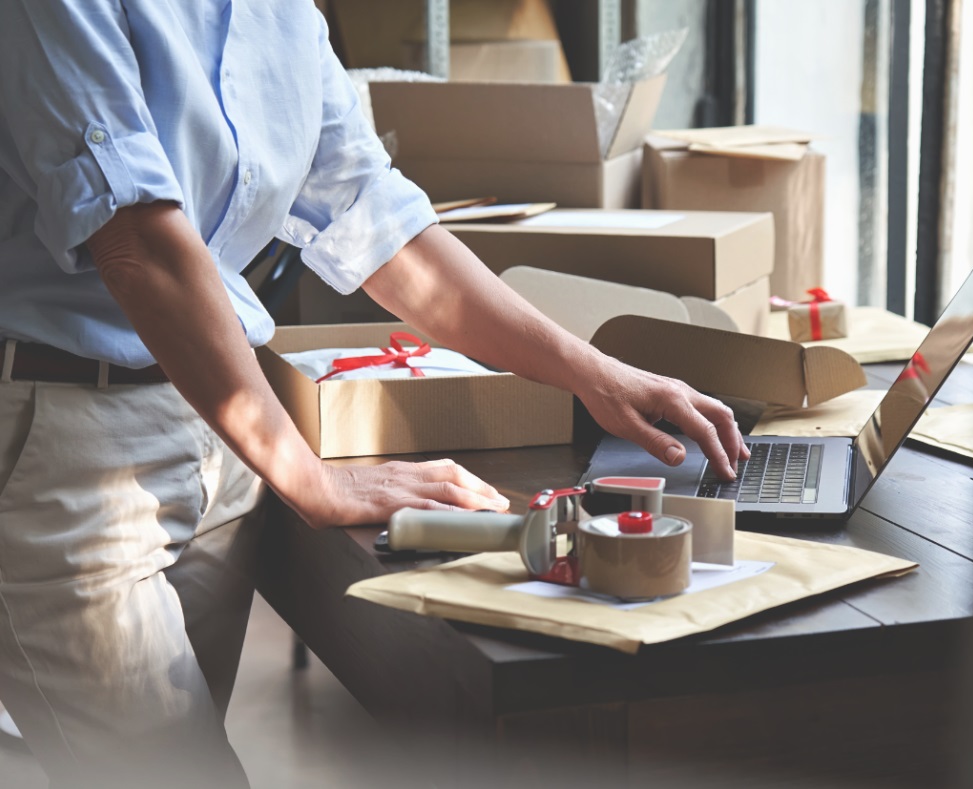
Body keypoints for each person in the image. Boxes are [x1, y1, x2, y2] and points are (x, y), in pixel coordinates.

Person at [0, 1, 748, 786]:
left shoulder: (283, 14)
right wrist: (311, 476)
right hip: (69, 445)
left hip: (216, 429)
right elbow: (139, 246)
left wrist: (592, 370)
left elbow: (381, 221)